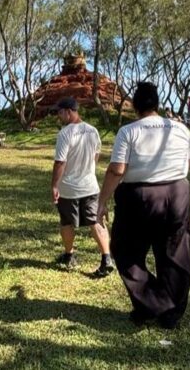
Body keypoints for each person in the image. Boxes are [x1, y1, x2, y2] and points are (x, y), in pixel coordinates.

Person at [97, 82, 190, 329]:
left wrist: (102, 201)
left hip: (139, 197)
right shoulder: (179, 128)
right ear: (157, 104)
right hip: (177, 194)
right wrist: (171, 167)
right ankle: (171, 313)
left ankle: (152, 304)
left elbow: (117, 170)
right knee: (175, 253)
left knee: (125, 251)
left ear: (135, 106)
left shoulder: (128, 131)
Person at [51, 97, 114, 277]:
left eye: (60, 112)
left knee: (66, 221)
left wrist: (54, 185)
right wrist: (88, 170)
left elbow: (60, 162)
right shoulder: (93, 130)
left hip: (69, 188)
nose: (58, 116)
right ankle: (106, 258)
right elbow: (96, 155)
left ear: (68, 111)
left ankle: (69, 255)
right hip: (90, 186)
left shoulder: (65, 133)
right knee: (96, 221)